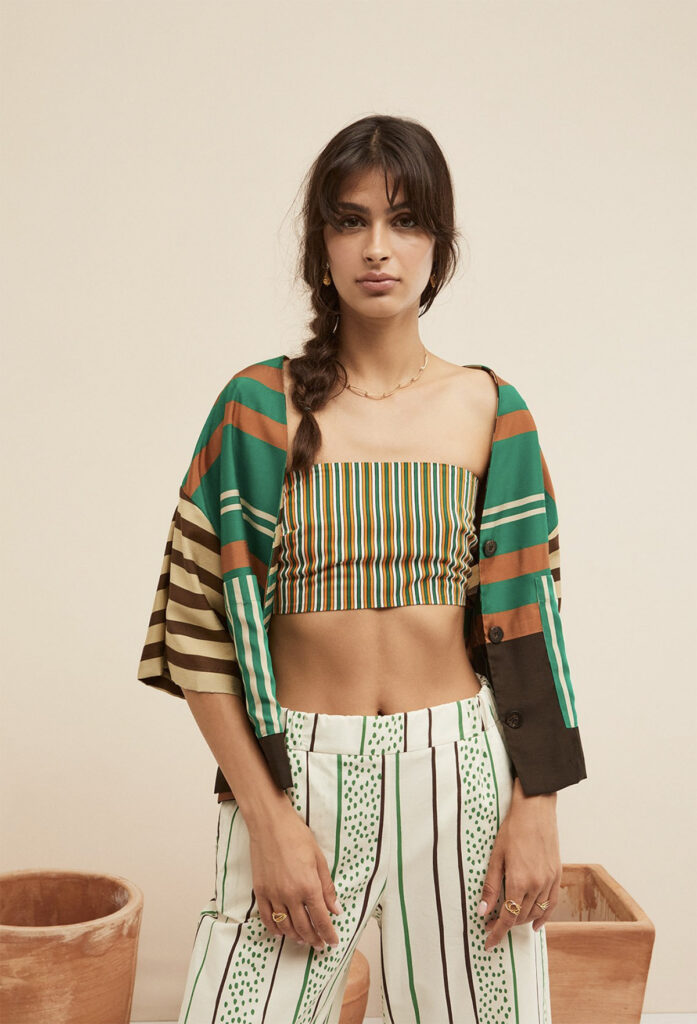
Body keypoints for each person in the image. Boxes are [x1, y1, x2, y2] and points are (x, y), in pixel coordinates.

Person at [138, 114, 587, 1024]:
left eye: (404, 220)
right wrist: (266, 817)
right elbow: (195, 629)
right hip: (297, 774)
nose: (377, 247)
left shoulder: (490, 410)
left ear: (438, 247)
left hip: (461, 773)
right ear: (321, 247)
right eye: (350, 221)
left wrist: (535, 807)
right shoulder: (256, 410)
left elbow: (531, 626)